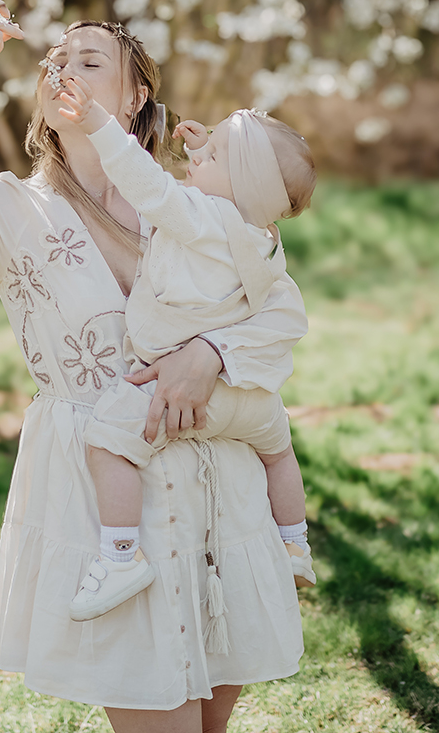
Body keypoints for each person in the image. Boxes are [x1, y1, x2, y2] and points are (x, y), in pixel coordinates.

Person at [0, 0, 304, 731]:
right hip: (112, 510)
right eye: (54, 61)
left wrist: (211, 353)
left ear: (135, 98)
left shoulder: (191, 202)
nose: (63, 68)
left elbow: (280, 310)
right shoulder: (6, 212)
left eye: (90, 60)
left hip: (222, 495)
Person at [51, 76, 316, 622]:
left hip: (184, 394)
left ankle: (120, 556)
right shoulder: (260, 236)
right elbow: (230, 188)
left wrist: (99, 122)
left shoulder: (198, 215)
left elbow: (149, 186)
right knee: (280, 452)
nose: (196, 158)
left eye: (212, 154)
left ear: (235, 180)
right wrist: (206, 152)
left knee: (108, 441)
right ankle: (294, 544)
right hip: (250, 398)